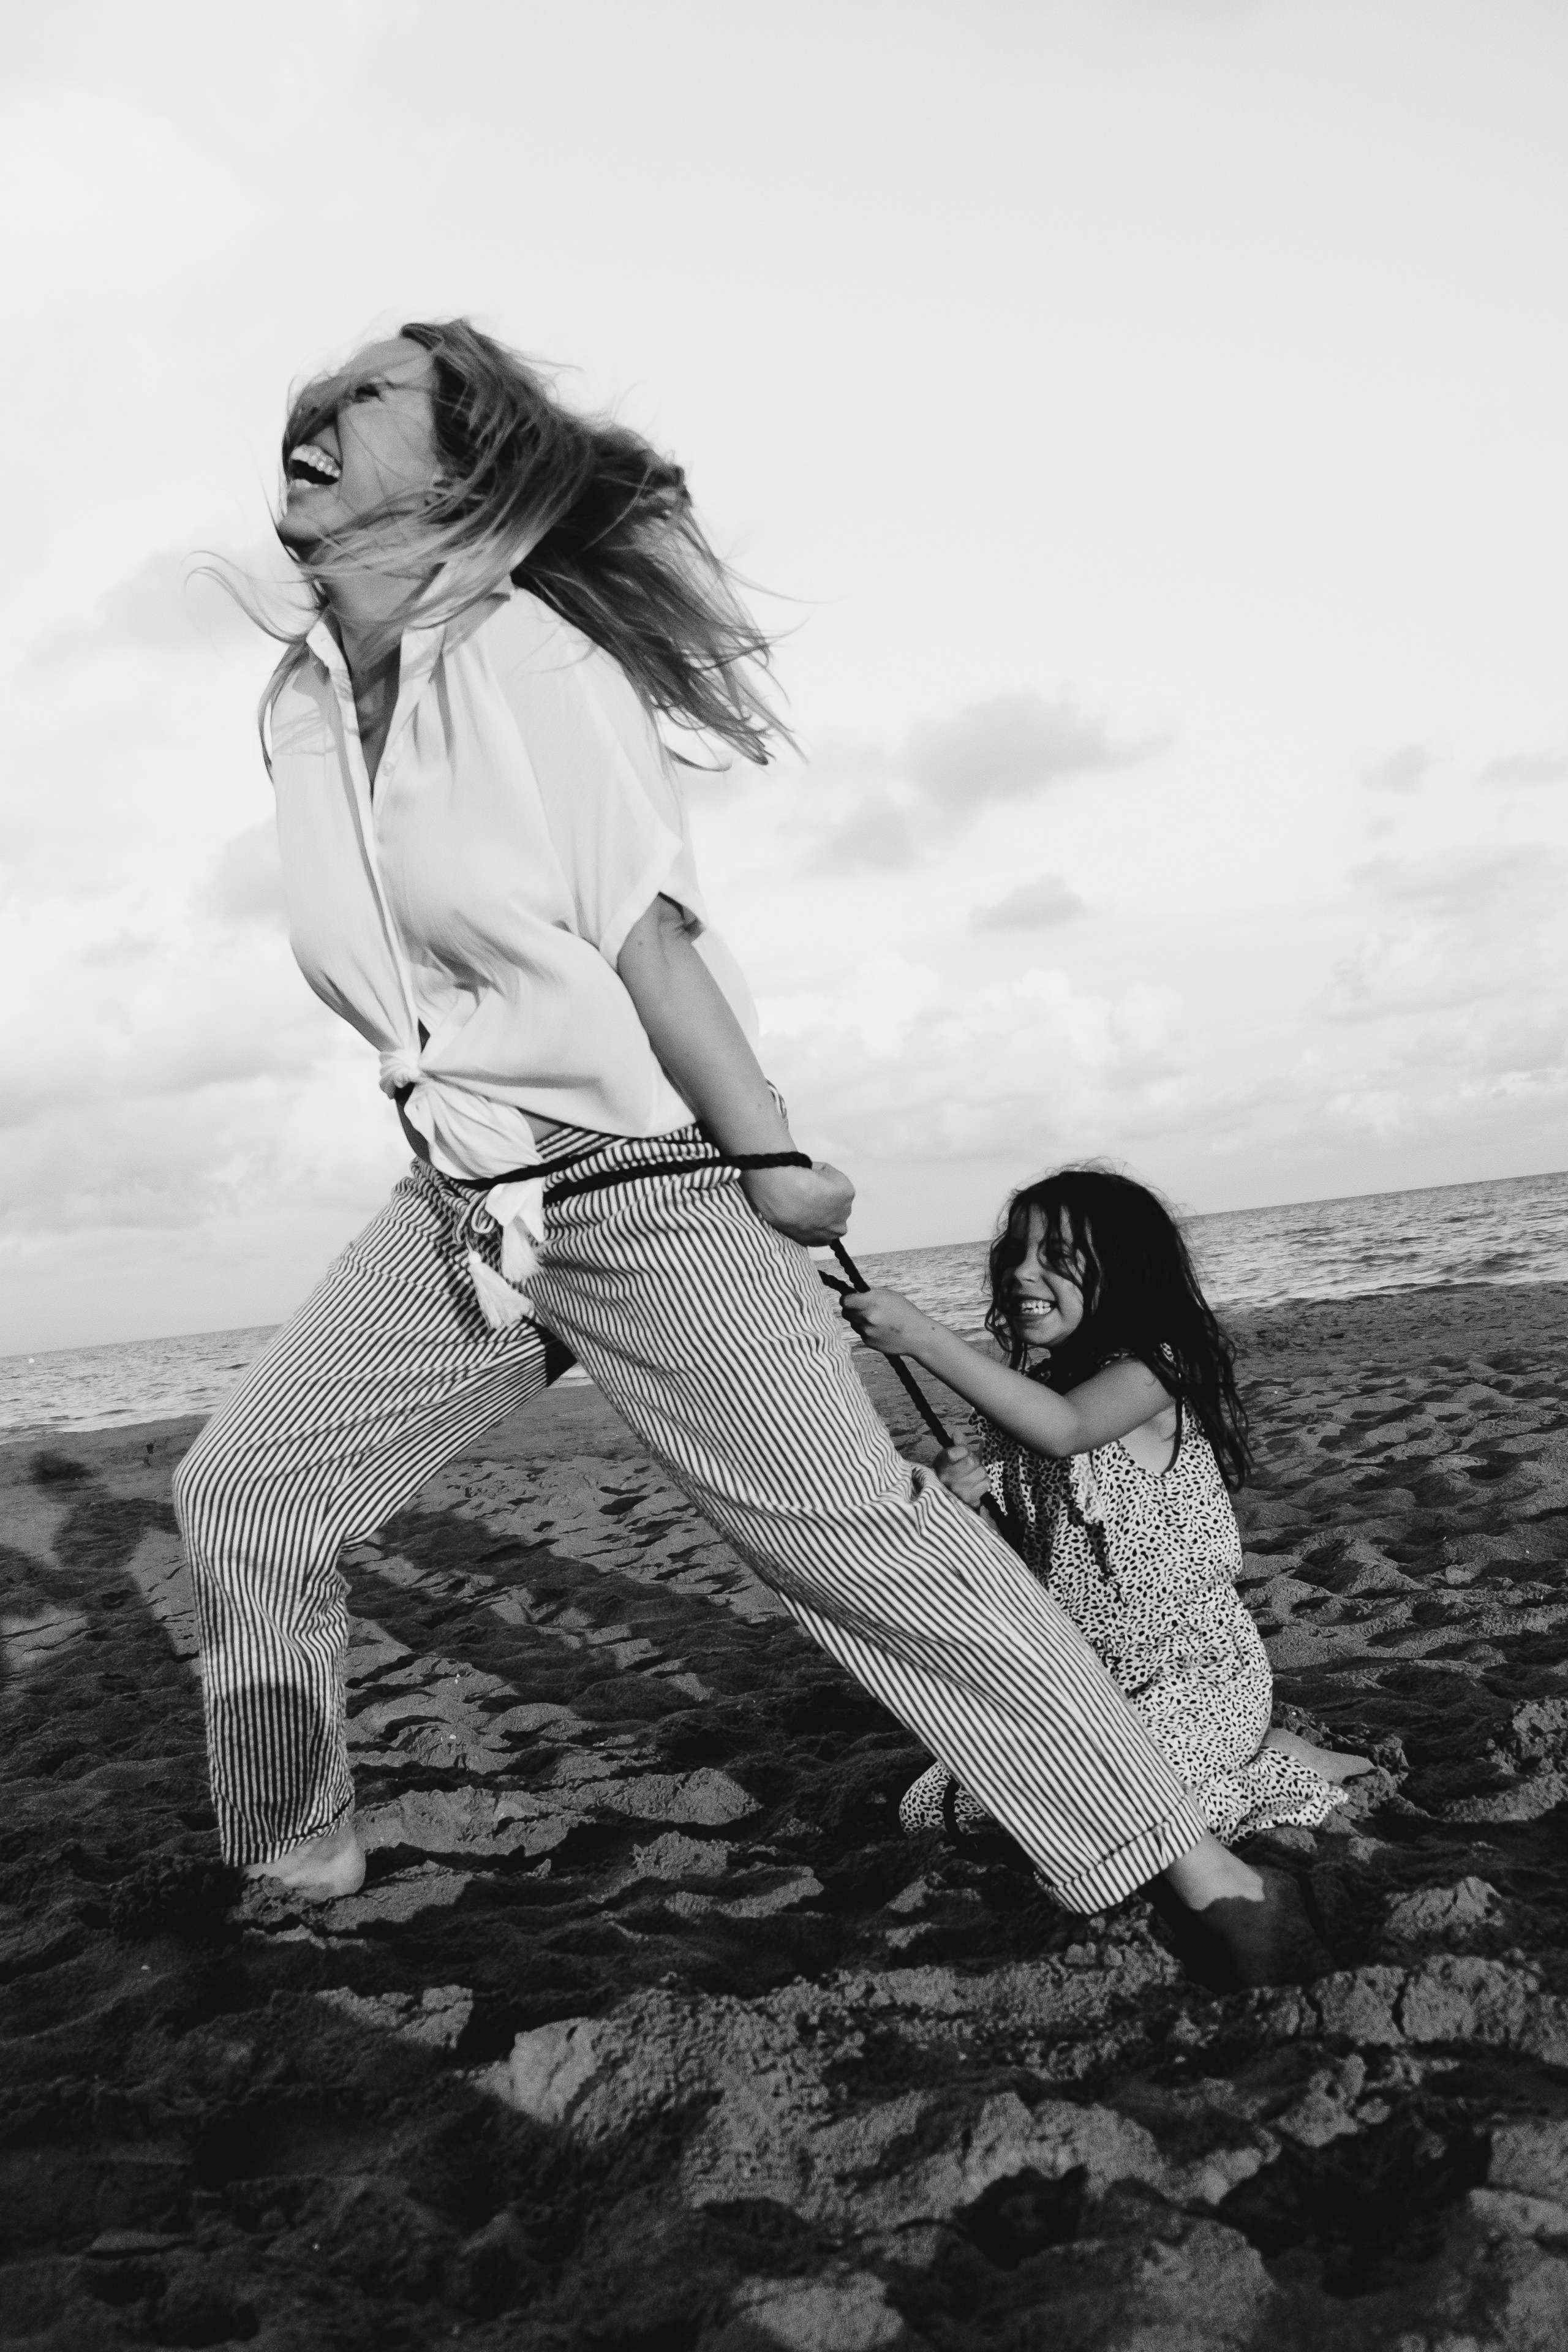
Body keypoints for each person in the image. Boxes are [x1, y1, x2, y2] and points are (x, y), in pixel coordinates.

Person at [175, 318, 1324, 1989]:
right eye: (319, 388)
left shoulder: (526, 656)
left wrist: (771, 1154)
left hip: (645, 1182)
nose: (318, 406)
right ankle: (295, 1846)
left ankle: (1181, 1853)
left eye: (371, 393)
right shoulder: (295, 703)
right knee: (244, 1490)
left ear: (463, 464)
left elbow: (646, 932)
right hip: (466, 1194)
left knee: (851, 1542)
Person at [841, 1167, 1372, 1858]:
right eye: (1015, 1253)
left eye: (1058, 1257)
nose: (1023, 1273)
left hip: (1193, 1676)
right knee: (930, 1809)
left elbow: (1066, 1429)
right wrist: (968, 1506)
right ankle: (1218, 1761)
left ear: (1125, 1272)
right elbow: (1025, 1557)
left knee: (1115, 1815)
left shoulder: (1156, 1371)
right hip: (1085, 1687)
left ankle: (1286, 1763)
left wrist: (924, 1336)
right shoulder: (1023, 1400)